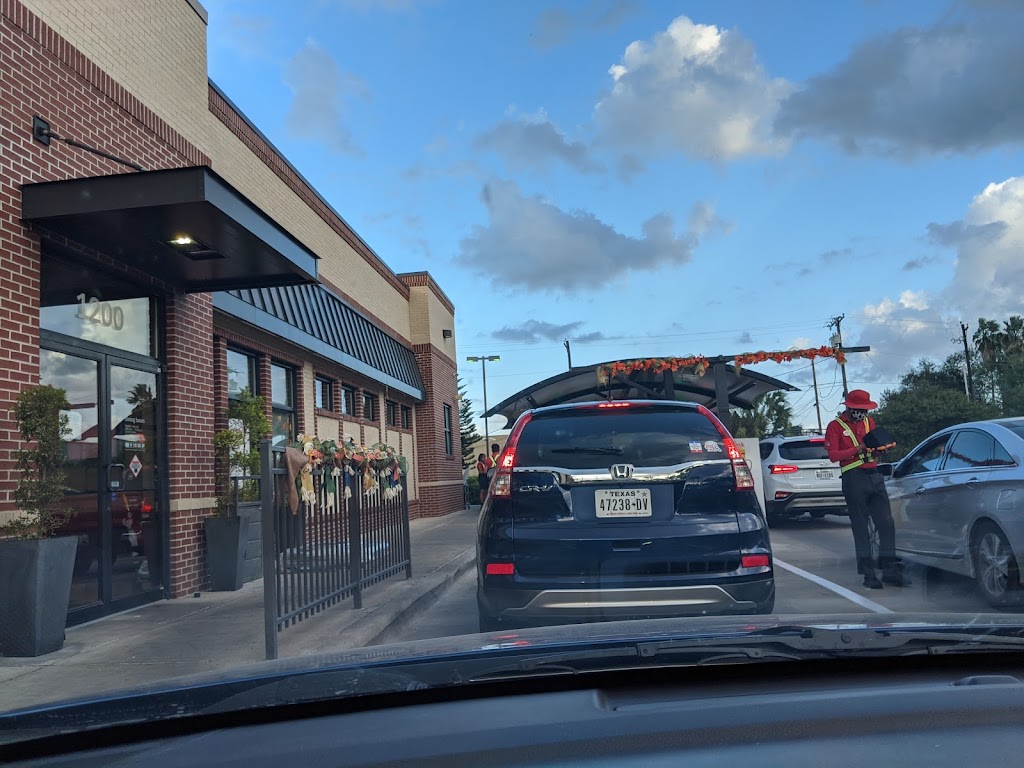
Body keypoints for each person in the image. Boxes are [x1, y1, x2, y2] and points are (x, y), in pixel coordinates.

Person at [824, 390, 911, 590]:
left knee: (886, 523)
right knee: (861, 526)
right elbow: (834, 455)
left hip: (874, 475)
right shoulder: (835, 426)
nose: (862, 413)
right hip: (853, 478)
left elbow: (874, 447)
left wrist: (881, 449)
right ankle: (869, 574)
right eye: (859, 409)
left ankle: (890, 570)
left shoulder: (868, 422)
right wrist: (859, 448)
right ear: (849, 407)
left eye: (865, 409)